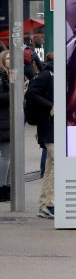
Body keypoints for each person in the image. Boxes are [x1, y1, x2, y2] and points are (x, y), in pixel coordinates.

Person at [26, 52, 54, 218]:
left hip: (51, 126)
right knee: (57, 166)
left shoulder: (52, 74)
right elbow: (30, 93)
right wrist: (51, 106)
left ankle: (45, 204)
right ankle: (49, 204)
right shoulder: (47, 75)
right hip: (48, 126)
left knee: (51, 167)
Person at [0, 51, 10, 201]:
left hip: (7, 120)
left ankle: (7, 186)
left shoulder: (7, 76)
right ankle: (3, 187)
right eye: (8, 58)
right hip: (3, 121)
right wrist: (13, 94)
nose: (10, 60)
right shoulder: (2, 78)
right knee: (6, 157)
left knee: (9, 157)